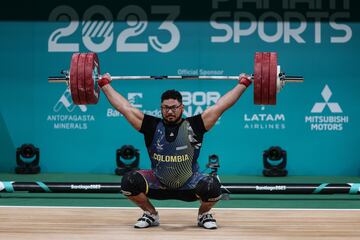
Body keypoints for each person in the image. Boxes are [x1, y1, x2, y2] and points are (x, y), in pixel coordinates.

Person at [97, 73, 252, 229]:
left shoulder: (195, 126)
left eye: (173, 107)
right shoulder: (151, 126)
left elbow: (221, 106)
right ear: (161, 108)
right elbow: (124, 107)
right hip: (157, 183)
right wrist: (104, 84)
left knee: (212, 186)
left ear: (181, 107)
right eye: (165, 108)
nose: (169, 111)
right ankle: (151, 214)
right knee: (128, 181)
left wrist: (243, 83)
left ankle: (203, 214)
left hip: (189, 185)